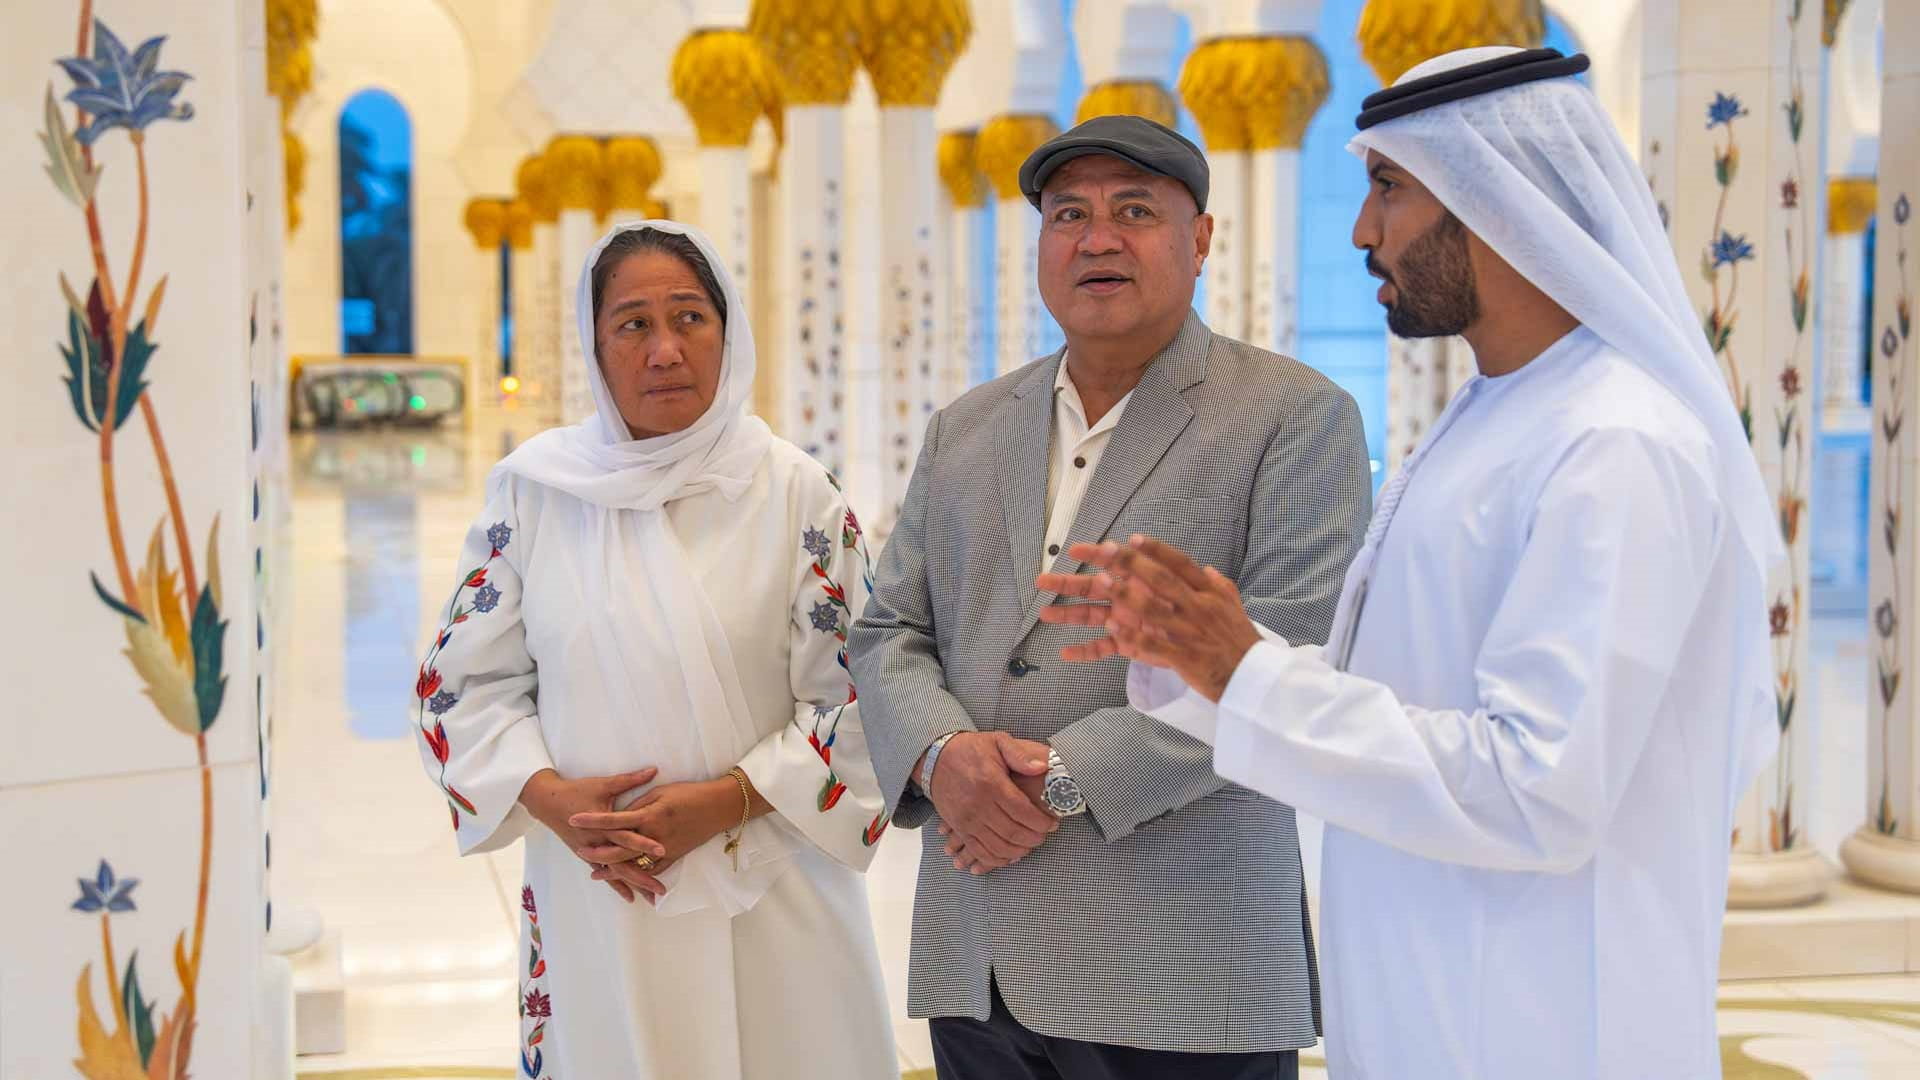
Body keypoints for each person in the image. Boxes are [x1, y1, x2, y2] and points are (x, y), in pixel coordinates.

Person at [1039, 48, 1782, 1080]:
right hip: (1437, 990)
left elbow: (1538, 789)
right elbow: (1402, 695)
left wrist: (1244, 673)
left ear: (1494, 198)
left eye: (1388, 187)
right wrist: (1202, 666)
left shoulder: (1617, 443)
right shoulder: (1496, 414)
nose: (1362, 230)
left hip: (1547, 1020)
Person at [849, 114, 1372, 1080]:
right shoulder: (968, 427)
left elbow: (1291, 652)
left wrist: (1060, 776)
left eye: (1134, 211)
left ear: (1200, 239)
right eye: (1068, 215)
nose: (1097, 239)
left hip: (1180, 961)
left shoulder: (1294, 417)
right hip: (979, 951)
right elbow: (890, 629)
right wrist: (943, 755)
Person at [411, 220, 897, 1079]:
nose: (665, 350)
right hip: (600, 887)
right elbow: (461, 687)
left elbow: (863, 698)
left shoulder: (796, 493)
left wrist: (724, 804)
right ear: (595, 346)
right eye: (633, 324)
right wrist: (555, 802)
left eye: (690, 318)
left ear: (728, 331)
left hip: (773, 874)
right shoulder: (536, 494)